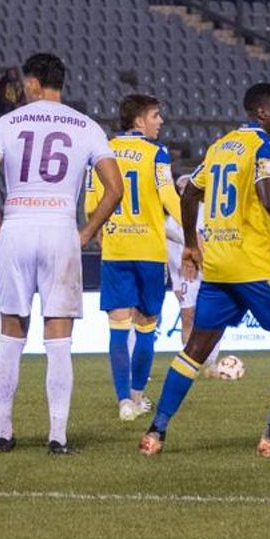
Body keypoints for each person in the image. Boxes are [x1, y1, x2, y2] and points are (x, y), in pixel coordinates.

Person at [142, 84, 270, 458]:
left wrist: (191, 244)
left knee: (196, 349)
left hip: (218, 265)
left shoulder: (220, 147)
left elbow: (189, 193)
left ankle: (156, 432)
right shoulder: (265, 146)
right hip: (254, 263)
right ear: (262, 113)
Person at [0, 53, 122, 455]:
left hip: (18, 223)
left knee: (10, 334)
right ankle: (57, 437)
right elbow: (114, 188)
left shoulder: (8, 122)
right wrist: (86, 231)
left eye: (25, 83)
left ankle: (2, 433)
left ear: (35, 84)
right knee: (58, 338)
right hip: (60, 228)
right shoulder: (87, 126)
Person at [83, 94, 181, 421]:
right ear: (138, 120)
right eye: (156, 115)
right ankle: (138, 397)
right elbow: (169, 196)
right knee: (145, 328)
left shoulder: (101, 151)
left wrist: (102, 233)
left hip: (116, 251)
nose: (160, 121)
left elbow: (89, 206)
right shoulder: (157, 153)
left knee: (117, 329)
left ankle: (124, 401)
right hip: (150, 253)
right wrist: (196, 234)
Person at [164, 174, 221, 377]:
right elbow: (170, 249)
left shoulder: (211, 212)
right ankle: (190, 363)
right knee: (188, 316)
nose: (184, 192)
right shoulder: (174, 217)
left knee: (213, 317)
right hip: (188, 273)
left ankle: (212, 362)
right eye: (181, 189)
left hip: (212, 270)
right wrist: (175, 281)